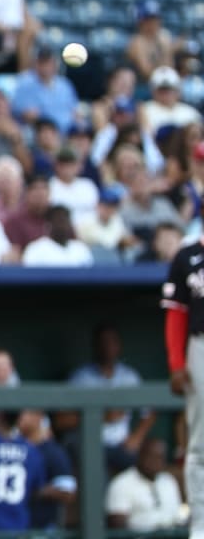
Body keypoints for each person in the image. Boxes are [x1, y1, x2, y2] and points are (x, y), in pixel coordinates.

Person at [161, 216, 204, 539]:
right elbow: (176, 313)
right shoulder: (188, 255)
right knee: (200, 440)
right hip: (200, 345)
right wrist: (176, 363)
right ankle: (201, 525)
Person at [70, 323, 156, 473]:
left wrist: (136, 438)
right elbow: (61, 419)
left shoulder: (129, 377)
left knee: (145, 460)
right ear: (95, 346)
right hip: (90, 444)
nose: (107, 347)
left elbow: (149, 412)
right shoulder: (81, 377)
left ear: (119, 346)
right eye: (103, 342)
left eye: (112, 342)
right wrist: (102, 417)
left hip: (121, 444)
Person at [106, 438, 185, 532]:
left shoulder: (169, 480)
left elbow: (178, 516)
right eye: (151, 456)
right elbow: (117, 525)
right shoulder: (122, 483)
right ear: (140, 456)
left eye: (159, 457)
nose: (155, 462)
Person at [16, 410, 77, 530]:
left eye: (25, 413)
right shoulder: (14, 448)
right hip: (15, 524)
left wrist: (34, 490)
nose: (20, 417)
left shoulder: (52, 452)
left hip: (42, 527)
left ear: (38, 417)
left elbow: (68, 492)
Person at [21, 205, 94, 267]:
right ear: (49, 224)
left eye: (66, 221)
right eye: (60, 221)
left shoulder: (80, 248)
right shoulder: (36, 249)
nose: (63, 226)